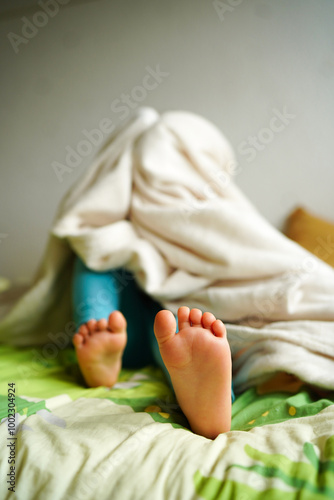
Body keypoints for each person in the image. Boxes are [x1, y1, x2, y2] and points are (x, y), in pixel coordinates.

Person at [71, 257, 233, 439]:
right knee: (94, 257)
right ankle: (101, 334)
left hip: (137, 330)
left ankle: (98, 323)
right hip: (134, 332)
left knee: (95, 260)